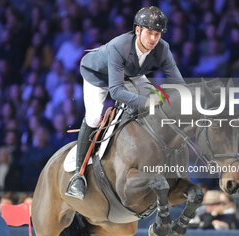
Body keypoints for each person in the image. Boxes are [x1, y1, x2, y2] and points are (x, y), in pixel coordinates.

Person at [65, 6, 184, 200]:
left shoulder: (163, 48)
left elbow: (178, 84)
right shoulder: (119, 46)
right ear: (138, 30)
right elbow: (116, 91)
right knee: (95, 117)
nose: (154, 39)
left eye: (158, 34)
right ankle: (78, 176)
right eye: (150, 33)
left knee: (157, 105)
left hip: (132, 75)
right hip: (98, 77)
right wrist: (146, 102)